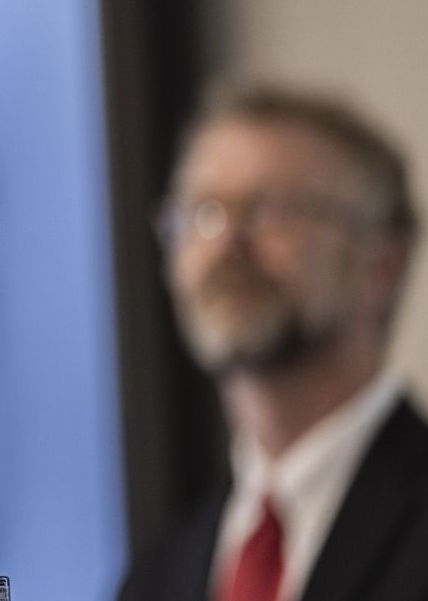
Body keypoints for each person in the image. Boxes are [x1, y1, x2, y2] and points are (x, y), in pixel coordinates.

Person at [121, 85, 426, 601]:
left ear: (381, 266)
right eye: (202, 210)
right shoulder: (154, 577)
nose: (226, 241)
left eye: (272, 209)